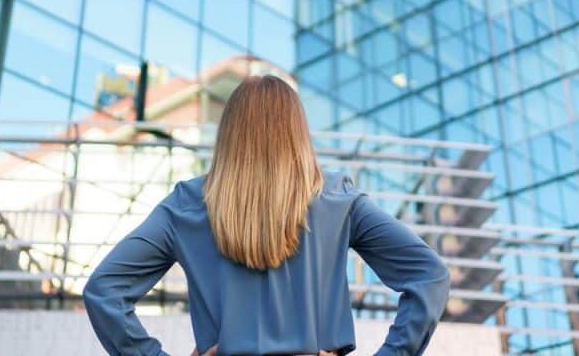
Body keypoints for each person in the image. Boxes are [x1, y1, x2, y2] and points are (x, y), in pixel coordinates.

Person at [83, 75, 450, 355]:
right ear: (297, 132)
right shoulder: (338, 198)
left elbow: (104, 292)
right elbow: (429, 275)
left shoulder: (186, 204)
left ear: (229, 133)